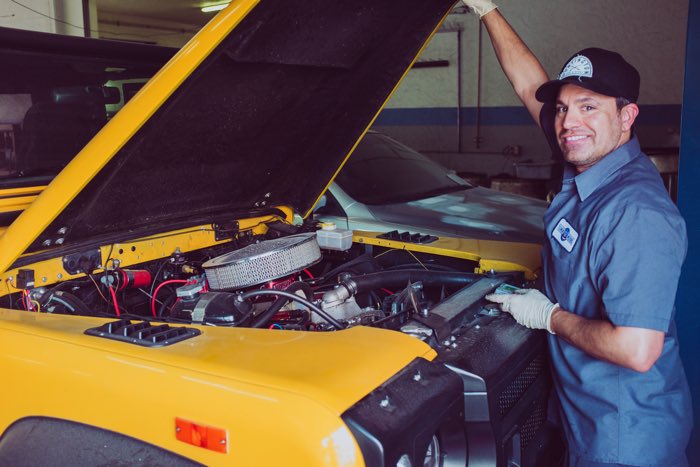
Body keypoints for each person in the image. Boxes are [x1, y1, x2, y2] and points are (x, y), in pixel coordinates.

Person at [459, 1, 693, 466]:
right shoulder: (590, 161)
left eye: (589, 107)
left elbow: (637, 348)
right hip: (586, 421)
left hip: (625, 439)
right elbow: (529, 86)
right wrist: (486, 9)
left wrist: (548, 316)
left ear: (627, 117)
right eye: (564, 107)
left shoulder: (636, 212)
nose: (568, 123)